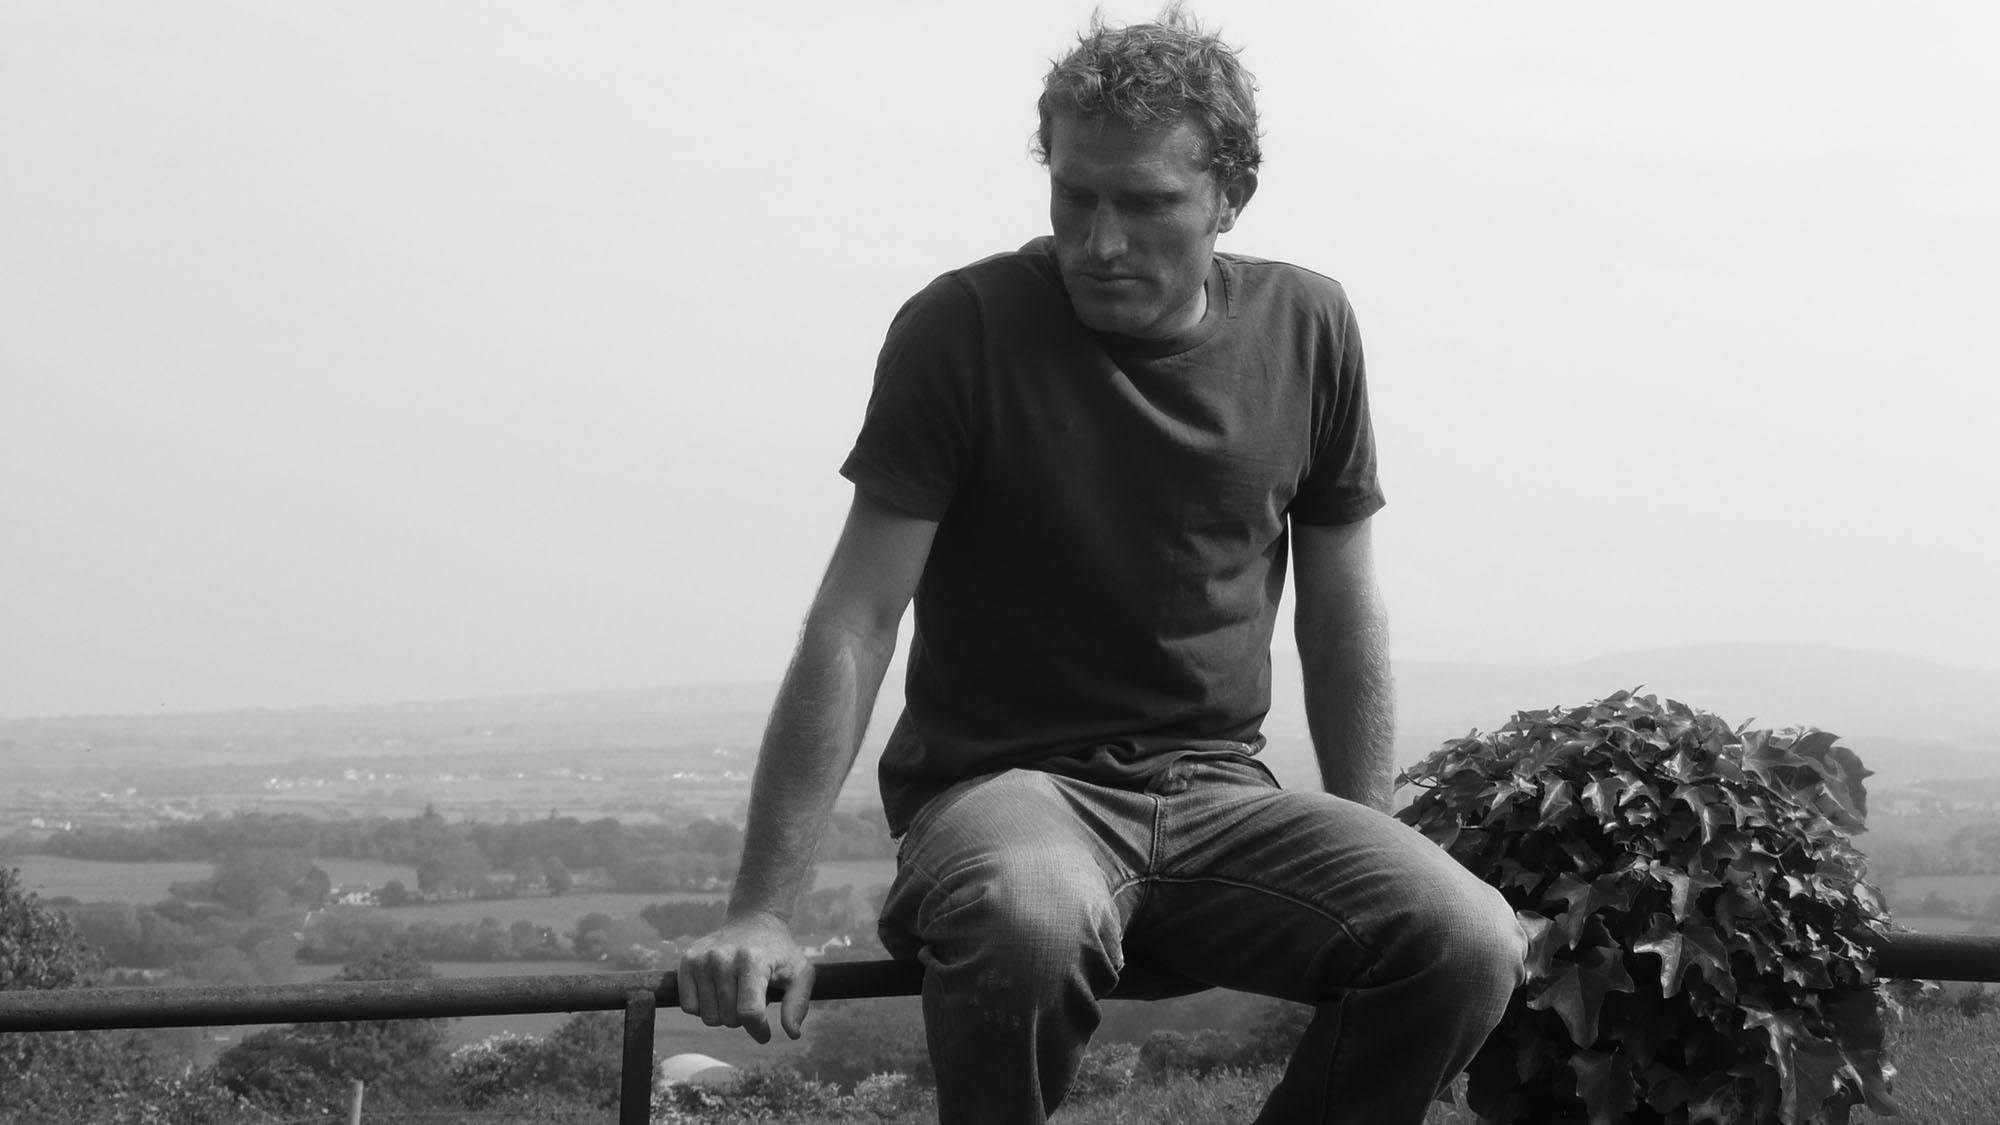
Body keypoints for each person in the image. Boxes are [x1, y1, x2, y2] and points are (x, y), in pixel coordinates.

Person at [677, 9, 1525, 1123]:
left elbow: (1338, 609)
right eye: (1074, 196)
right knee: (1030, 915)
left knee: (1462, 940)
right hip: (1006, 796)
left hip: (1220, 792)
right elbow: (856, 616)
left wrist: (1365, 832)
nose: (1100, 241)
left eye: (1145, 203)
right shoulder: (963, 325)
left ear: (1229, 198)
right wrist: (762, 908)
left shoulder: (1308, 324)